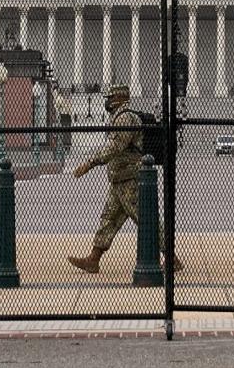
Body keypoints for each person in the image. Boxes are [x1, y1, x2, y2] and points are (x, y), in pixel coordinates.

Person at [67, 83, 180, 274]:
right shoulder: (119, 117)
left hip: (130, 178)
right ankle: (93, 260)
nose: (107, 102)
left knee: (146, 219)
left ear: (119, 98)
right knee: (109, 219)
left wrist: (89, 163)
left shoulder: (126, 118)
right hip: (119, 178)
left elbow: (115, 147)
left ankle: (172, 259)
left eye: (110, 98)